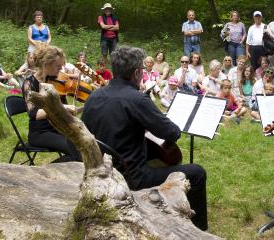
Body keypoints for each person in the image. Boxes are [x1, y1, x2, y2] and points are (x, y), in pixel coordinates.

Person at [81, 46, 207, 230]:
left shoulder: (94, 96)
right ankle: (198, 230)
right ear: (137, 73)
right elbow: (173, 133)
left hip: (101, 172)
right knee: (197, 173)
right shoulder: (137, 99)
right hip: (131, 177)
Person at [21, 44, 81, 162]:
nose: (61, 70)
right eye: (58, 66)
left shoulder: (57, 82)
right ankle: (44, 173)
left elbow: (64, 110)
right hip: (40, 133)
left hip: (59, 129)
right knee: (76, 153)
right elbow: (35, 114)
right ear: (46, 64)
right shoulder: (29, 83)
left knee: (85, 145)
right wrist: (63, 107)